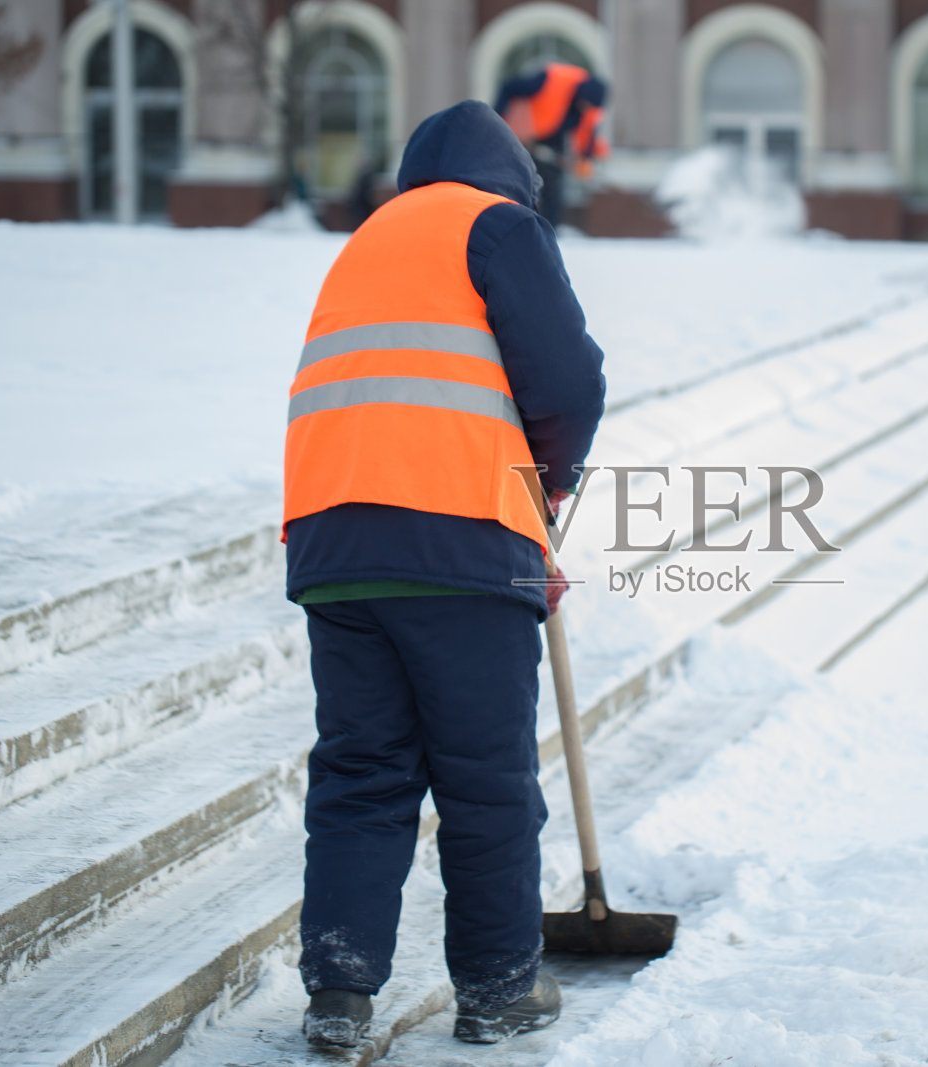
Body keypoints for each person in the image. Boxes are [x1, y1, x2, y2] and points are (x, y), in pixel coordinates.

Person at [282, 100, 606, 1049]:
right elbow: (567, 383)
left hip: (336, 546)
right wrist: (544, 498)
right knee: (485, 777)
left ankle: (339, 989)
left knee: (360, 773)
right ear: (515, 177)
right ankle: (500, 986)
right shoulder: (498, 225)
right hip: (460, 541)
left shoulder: (367, 241)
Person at [494, 63, 610, 227]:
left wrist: (586, 159)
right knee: (521, 185)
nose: (585, 108)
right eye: (584, 104)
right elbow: (508, 87)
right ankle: (515, 226)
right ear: (581, 96)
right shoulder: (549, 80)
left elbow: (587, 132)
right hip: (524, 139)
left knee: (552, 189)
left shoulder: (590, 107)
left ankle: (550, 231)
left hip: (553, 142)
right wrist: (498, 121)